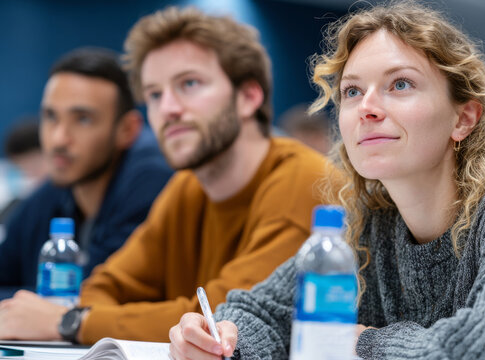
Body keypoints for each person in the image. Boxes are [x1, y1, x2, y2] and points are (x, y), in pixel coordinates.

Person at [168, 2, 485, 359]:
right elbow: (261, 312)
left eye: (400, 84)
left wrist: (365, 342)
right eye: (352, 91)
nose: (367, 106)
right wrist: (220, 336)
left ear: (464, 118)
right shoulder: (369, 223)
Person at [0, 7, 329, 344]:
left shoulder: (304, 180)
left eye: (189, 83)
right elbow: (105, 286)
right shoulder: (187, 187)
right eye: (155, 94)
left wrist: (72, 322)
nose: (168, 108)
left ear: (248, 97)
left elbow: (226, 321)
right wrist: (82, 317)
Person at [0, 48, 172, 290]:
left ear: (127, 130)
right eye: (51, 116)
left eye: (82, 119)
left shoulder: (151, 181)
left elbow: (96, 297)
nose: (59, 139)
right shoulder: (56, 188)